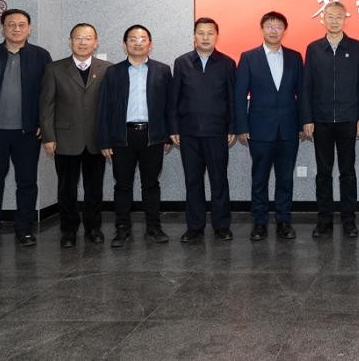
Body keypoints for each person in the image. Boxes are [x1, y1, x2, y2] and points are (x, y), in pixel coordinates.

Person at [0, 8, 52, 251]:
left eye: (22, 24)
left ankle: (24, 229)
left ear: (29, 28)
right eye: (11, 24)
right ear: (2, 28)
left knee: (27, 183)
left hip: (28, 132)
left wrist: (43, 125)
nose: (16, 28)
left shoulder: (40, 56)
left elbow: (48, 95)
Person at [97, 25, 173, 247]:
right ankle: (122, 229)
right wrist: (104, 140)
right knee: (122, 185)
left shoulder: (162, 70)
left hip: (152, 136)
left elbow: (169, 106)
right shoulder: (113, 72)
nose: (137, 43)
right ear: (125, 44)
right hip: (122, 136)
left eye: (142, 39)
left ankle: (154, 227)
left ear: (150, 43)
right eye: (132, 39)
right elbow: (104, 108)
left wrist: (168, 135)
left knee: (151, 184)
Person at [302, 2, 359, 239]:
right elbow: (306, 86)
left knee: (347, 172)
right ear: (323, 19)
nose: (334, 21)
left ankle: (349, 221)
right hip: (320, 120)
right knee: (323, 172)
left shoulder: (357, 47)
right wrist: (307, 118)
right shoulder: (314, 49)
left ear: (345, 19)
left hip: (348, 120)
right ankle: (324, 221)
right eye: (330, 17)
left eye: (338, 17)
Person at [39, 22, 111, 248]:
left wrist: (109, 138)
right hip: (65, 139)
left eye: (88, 38)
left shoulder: (107, 69)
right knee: (66, 188)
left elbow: (112, 107)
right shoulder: (55, 68)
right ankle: (68, 230)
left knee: (94, 188)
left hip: (96, 140)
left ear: (96, 42)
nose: (83, 42)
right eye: (78, 38)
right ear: (70, 41)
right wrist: (49, 137)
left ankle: (93, 228)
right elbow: (46, 106)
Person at [235, 11, 303, 241]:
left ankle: (284, 221)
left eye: (278, 27)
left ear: (285, 30)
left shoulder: (295, 57)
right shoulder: (248, 57)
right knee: (259, 178)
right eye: (270, 26)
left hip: (288, 128)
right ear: (262, 29)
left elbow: (302, 93)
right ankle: (259, 222)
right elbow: (239, 95)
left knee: (285, 178)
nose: (274, 30)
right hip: (259, 128)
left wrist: (303, 123)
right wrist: (241, 126)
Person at [170, 18, 237, 243]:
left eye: (210, 33)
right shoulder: (182, 62)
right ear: (194, 36)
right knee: (193, 181)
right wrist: (174, 127)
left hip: (217, 132)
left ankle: (222, 226)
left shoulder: (227, 63)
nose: (205, 37)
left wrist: (232, 127)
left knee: (219, 181)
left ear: (217, 36)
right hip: (188, 133)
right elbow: (174, 98)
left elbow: (232, 98)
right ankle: (195, 227)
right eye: (201, 33)